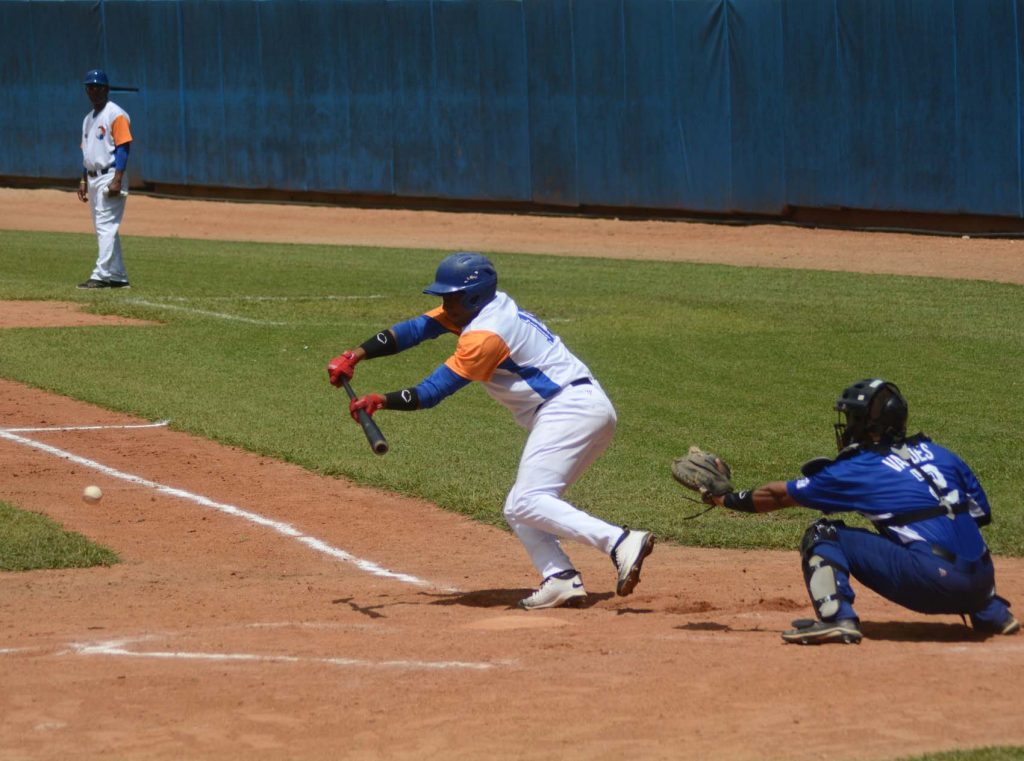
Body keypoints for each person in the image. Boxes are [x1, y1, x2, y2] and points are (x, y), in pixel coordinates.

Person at [327, 252, 655, 609]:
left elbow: (432, 392)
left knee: (529, 500)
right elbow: (416, 330)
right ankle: (560, 578)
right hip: (577, 408)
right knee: (519, 506)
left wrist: (380, 400)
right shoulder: (479, 309)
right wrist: (356, 354)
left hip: (569, 410)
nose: (443, 303)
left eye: (449, 296)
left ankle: (620, 541)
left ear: (471, 297)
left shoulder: (486, 335)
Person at [704, 378, 1018, 644]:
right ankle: (991, 614)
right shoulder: (941, 454)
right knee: (941, 530)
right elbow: (980, 514)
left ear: (869, 426)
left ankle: (836, 618)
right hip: (984, 582)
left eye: (852, 419)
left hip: (937, 583)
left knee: (823, 533)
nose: (847, 427)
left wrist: (724, 498)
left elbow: (779, 496)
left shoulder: (858, 469)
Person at [76, 68, 132, 289]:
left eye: (98, 87)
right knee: (105, 226)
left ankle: (100, 275)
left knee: (105, 225)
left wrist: (118, 178)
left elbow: (123, 147)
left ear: (106, 89)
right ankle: (118, 276)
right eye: (90, 87)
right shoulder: (88, 120)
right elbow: (86, 152)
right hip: (92, 178)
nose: (93, 91)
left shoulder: (115, 114)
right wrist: (83, 180)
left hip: (110, 174)